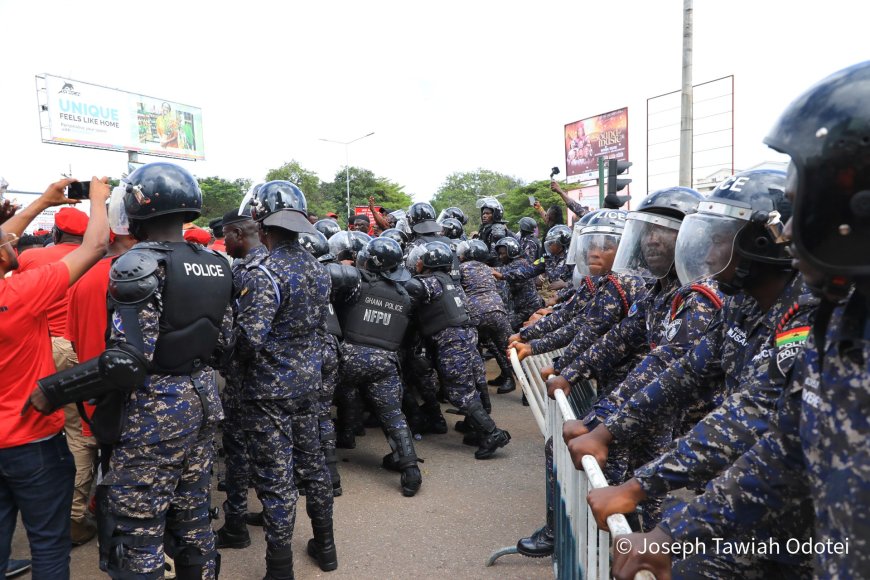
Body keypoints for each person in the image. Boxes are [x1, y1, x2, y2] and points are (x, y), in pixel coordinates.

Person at [611, 60, 870, 580]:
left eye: (804, 210)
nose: (789, 230)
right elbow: (786, 446)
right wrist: (670, 536)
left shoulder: (813, 313)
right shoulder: (842, 321)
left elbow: (754, 415)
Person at [31, 162, 232, 579]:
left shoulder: (137, 263)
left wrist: (53, 389)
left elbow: (126, 361)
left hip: (153, 413)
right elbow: (226, 344)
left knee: (136, 530)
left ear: (138, 208)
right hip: (201, 400)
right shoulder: (215, 263)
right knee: (193, 518)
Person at [1, 176, 109, 579]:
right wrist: (98, 200)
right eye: (8, 242)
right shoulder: (20, 293)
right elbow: (96, 246)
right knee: (48, 541)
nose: (14, 241)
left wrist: (41, 202)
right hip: (31, 440)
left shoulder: (22, 276)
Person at [235, 181, 336, 577]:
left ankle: (279, 567)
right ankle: (325, 546)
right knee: (314, 468)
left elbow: (249, 340)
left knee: (277, 477)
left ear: (262, 226)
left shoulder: (263, 272)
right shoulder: (319, 268)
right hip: (309, 384)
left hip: (268, 392)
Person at [14, 205, 92, 544]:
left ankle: (59, 513)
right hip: (87, 347)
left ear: (57, 233)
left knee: (49, 428)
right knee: (82, 433)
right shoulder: (96, 260)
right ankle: (77, 514)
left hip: (47, 350)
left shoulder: (32, 259)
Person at [404, 241, 511, 459]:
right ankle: (475, 428)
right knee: (468, 385)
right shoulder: (450, 281)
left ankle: (493, 433)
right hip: (466, 336)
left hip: (452, 340)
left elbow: (412, 289)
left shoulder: (431, 281)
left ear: (429, 263)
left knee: (458, 391)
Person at [335, 237, 423, 496]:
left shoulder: (355, 284)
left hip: (348, 356)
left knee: (319, 410)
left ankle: (328, 472)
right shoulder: (404, 296)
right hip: (385, 362)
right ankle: (410, 471)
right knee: (394, 416)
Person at [214, 207, 268, 551]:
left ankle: (235, 525)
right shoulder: (279, 263)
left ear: (238, 235)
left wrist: (222, 358)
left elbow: (247, 338)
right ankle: (269, 510)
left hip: (248, 379)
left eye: (226, 237)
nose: (224, 244)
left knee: (238, 452)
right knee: (271, 451)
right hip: (282, 380)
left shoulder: (249, 273)